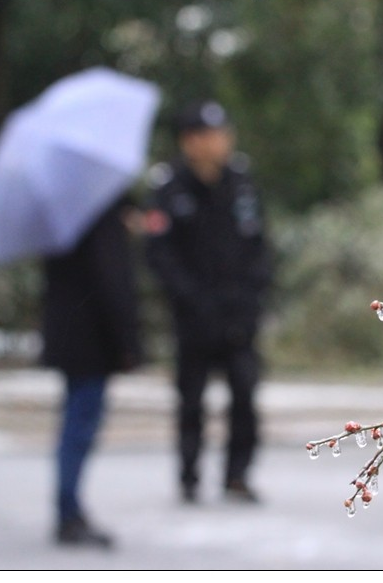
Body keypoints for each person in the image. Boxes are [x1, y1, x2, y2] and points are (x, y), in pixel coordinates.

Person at [144, 100, 272, 504]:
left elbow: (261, 247)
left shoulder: (242, 183)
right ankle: (189, 475)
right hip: (193, 315)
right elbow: (159, 254)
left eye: (224, 133)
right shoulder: (169, 187)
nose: (222, 142)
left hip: (238, 315)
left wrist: (254, 297)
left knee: (244, 396)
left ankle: (237, 474)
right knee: (191, 400)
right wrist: (190, 297)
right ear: (191, 141)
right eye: (213, 135)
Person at [42, 195, 144, 548]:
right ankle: (68, 512)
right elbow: (111, 281)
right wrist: (128, 343)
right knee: (79, 426)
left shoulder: (62, 207)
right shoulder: (99, 210)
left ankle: (68, 509)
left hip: (70, 333)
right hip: (91, 340)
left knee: (74, 422)